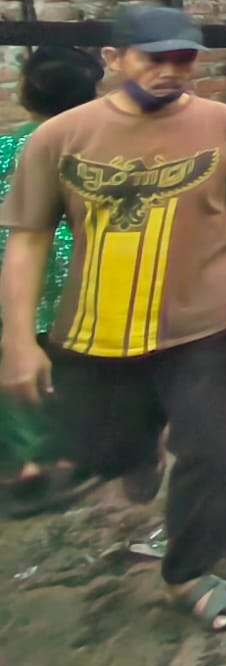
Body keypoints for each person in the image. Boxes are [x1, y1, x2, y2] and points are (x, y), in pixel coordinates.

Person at [0, 5, 226, 632]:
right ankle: (136, 450)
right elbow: (29, 238)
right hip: (98, 330)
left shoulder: (222, 125)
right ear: (113, 60)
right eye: (155, 57)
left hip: (205, 323)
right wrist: (18, 337)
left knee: (212, 450)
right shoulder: (59, 138)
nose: (172, 71)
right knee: (102, 448)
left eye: (184, 58)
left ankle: (187, 573)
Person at [0, 46, 103, 494]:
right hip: (74, 272)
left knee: (19, 359)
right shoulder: (97, 147)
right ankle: (73, 452)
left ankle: (26, 462)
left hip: (16, 270)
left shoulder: (8, 147)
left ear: (25, 95)